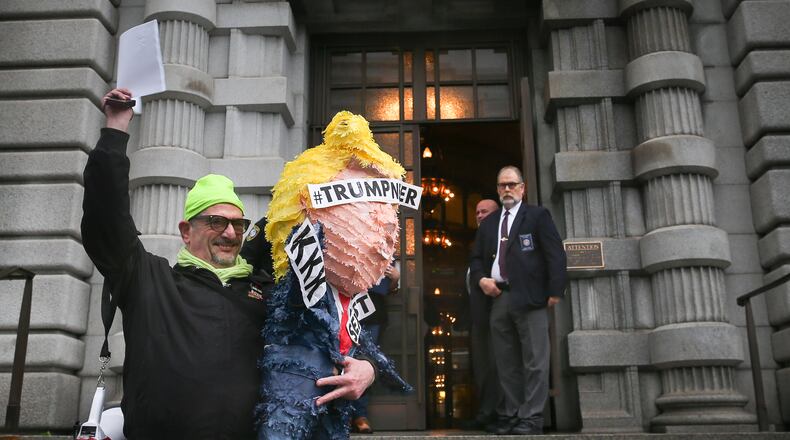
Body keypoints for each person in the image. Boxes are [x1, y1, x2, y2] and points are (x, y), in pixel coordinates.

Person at [82, 88, 376, 439]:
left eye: (238, 224)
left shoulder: (267, 291)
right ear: (186, 231)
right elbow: (105, 217)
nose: (230, 233)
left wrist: (367, 369)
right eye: (216, 222)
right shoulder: (148, 278)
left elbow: (332, 330)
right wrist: (116, 129)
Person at [469, 166, 567, 435]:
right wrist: (481, 280)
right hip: (499, 299)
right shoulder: (489, 223)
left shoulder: (537, 216)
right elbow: (476, 259)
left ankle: (532, 417)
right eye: (502, 185)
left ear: (522, 188)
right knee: (506, 362)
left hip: (531, 298)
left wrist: (555, 291)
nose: (507, 189)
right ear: (498, 189)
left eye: (512, 184)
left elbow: (555, 254)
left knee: (535, 360)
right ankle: (512, 414)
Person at [463, 199, 502, 432]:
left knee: (498, 367)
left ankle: (499, 414)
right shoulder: (477, 242)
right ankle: (486, 413)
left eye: (484, 211)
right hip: (478, 318)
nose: (479, 215)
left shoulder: (502, 239)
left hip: (497, 313)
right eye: (477, 212)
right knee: (482, 368)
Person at [350, 260, 400, 434]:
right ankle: (340, 414)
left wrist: (395, 278)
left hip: (373, 309)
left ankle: (360, 415)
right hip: (346, 301)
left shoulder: (386, 244)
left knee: (367, 362)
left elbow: (392, 288)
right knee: (341, 357)